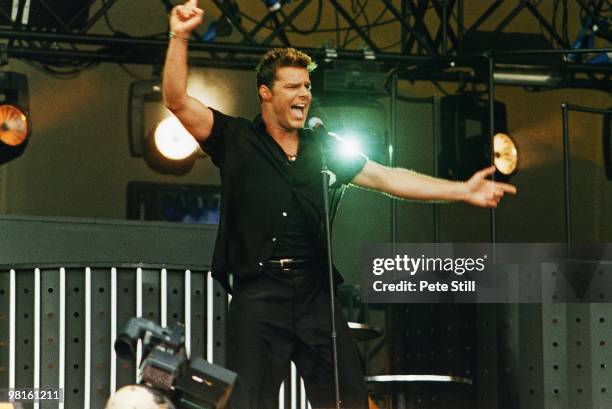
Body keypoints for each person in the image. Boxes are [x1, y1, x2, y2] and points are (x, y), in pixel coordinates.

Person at [163, 2, 517, 408]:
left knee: (348, 399)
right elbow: (176, 99)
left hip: (316, 293)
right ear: (266, 92)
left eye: (307, 87)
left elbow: (388, 178)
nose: (304, 94)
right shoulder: (236, 139)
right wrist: (181, 36)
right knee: (247, 403)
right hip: (259, 294)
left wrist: (461, 190)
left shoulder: (323, 148)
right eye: (293, 87)